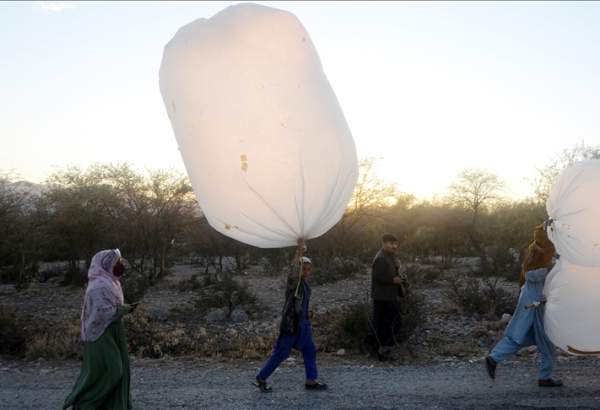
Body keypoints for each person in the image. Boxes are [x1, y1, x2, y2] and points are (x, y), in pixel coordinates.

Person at [485, 225, 562, 387]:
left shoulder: (534, 250)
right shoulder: (542, 256)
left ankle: (494, 358)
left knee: (522, 335)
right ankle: (544, 377)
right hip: (536, 304)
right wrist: (554, 268)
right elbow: (535, 275)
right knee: (546, 339)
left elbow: (528, 276)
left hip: (529, 300)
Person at [64, 249, 137, 410]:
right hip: (99, 333)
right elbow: (101, 313)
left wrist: (122, 309)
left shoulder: (112, 282)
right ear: (106, 264)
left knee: (121, 369)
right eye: (117, 262)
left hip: (113, 329)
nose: (120, 265)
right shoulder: (97, 286)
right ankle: (84, 404)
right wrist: (123, 310)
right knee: (113, 370)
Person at [254, 240, 327, 393]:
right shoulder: (294, 282)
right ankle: (261, 378)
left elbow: (302, 304)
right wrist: (299, 252)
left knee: (309, 350)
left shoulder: (305, 284)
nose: (306, 272)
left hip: (303, 325)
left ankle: (311, 380)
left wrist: (308, 313)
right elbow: (294, 269)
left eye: (308, 269)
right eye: (303, 269)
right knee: (282, 353)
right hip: (292, 325)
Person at [364, 233, 405, 361]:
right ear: (384, 243)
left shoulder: (389, 256)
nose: (394, 246)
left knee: (382, 322)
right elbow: (377, 277)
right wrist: (393, 280)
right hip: (383, 296)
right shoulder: (381, 258)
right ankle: (381, 348)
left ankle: (374, 346)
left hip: (387, 295)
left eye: (395, 244)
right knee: (392, 322)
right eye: (391, 243)